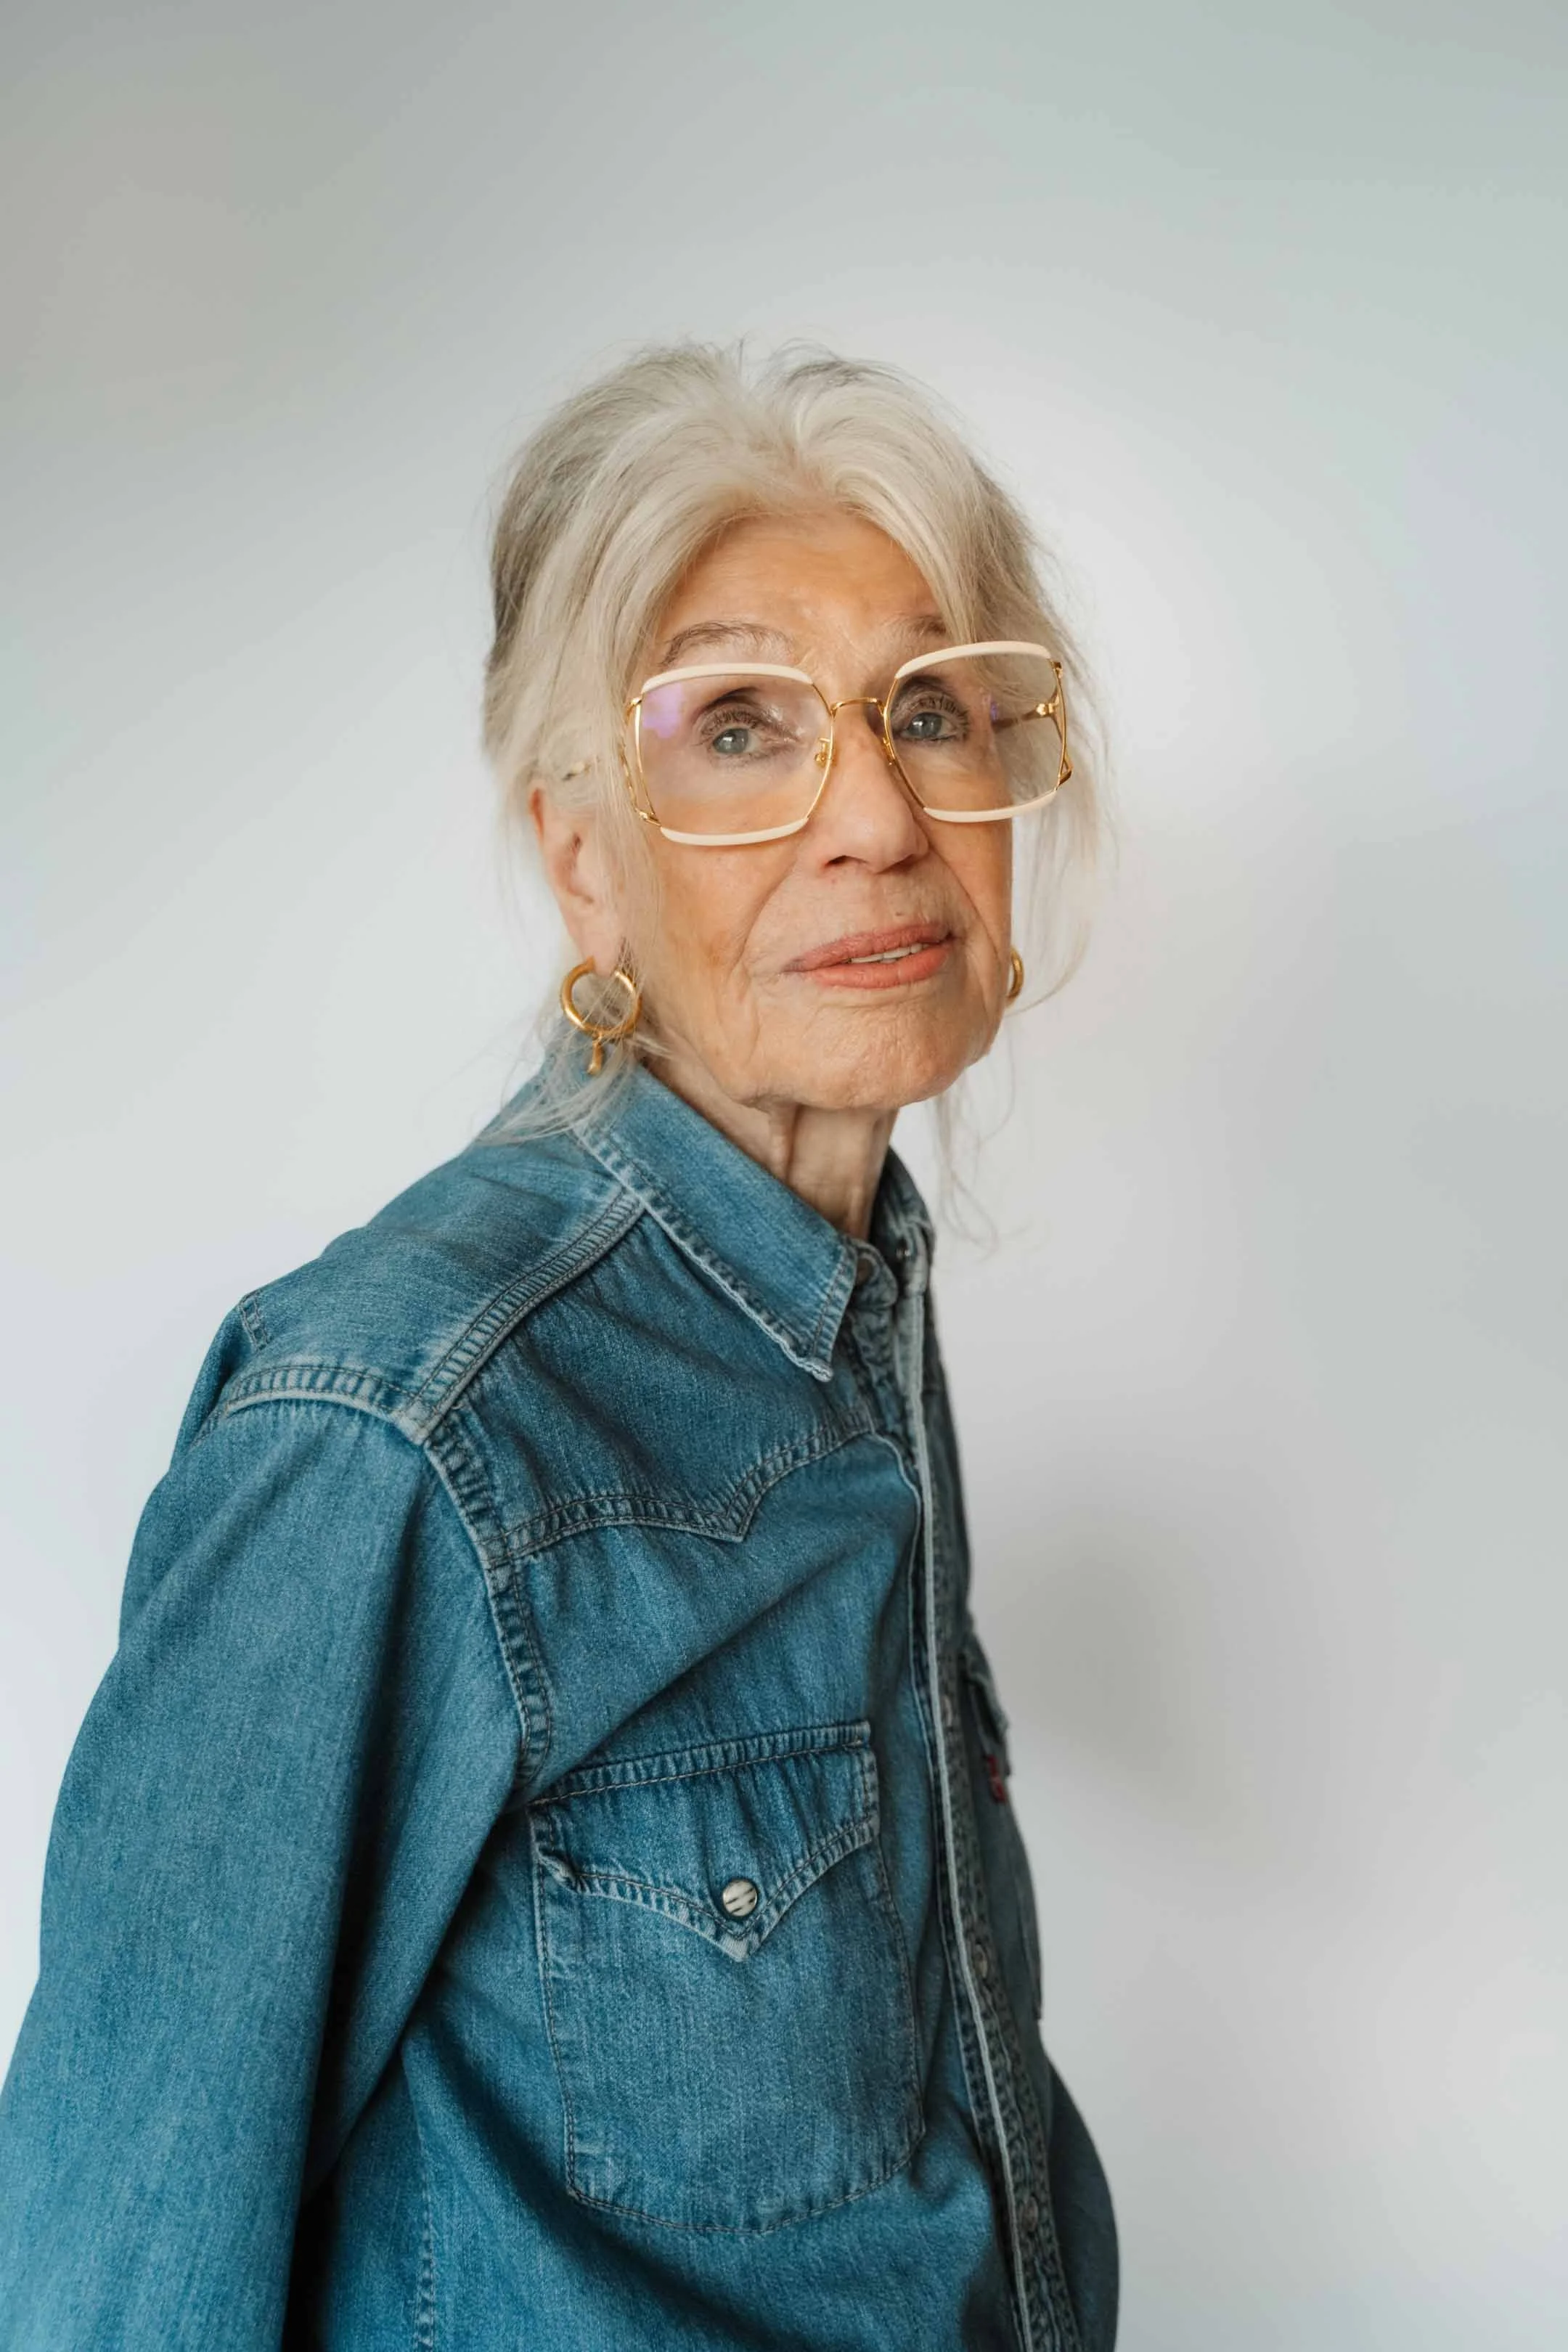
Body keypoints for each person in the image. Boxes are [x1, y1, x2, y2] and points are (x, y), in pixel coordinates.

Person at [0, 344, 1118, 2351]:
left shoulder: (842, 1308)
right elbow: (108, 2286)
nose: (875, 814)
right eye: (740, 728)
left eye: (932, 710)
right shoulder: (404, 1429)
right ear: (583, 853)